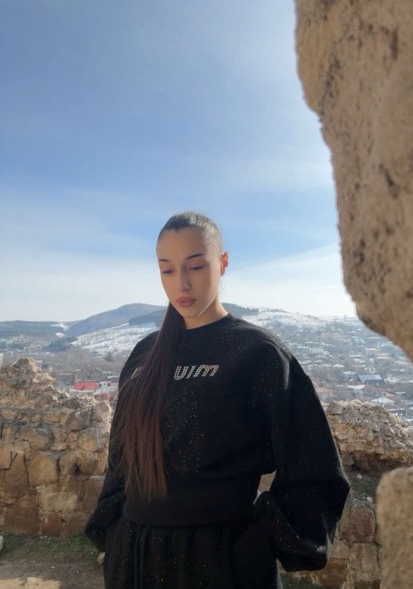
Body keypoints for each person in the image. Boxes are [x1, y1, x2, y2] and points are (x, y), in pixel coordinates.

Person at [85, 211, 349, 589]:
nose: (181, 282)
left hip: (219, 562)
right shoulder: (146, 354)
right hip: (134, 559)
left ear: (222, 263)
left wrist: (256, 546)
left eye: (195, 266)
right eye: (167, 270)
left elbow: (315, 466)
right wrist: (114, 530)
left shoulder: (257, 353)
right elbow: (121, 458)